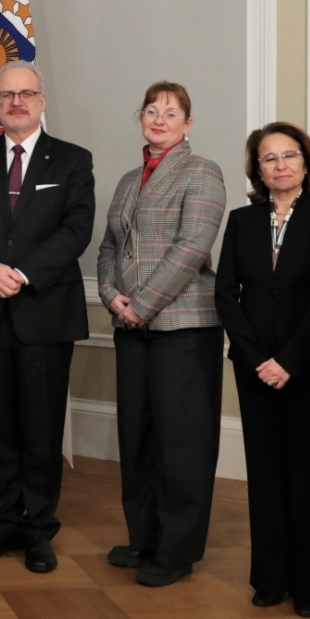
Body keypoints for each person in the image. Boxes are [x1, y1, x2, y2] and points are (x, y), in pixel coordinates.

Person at [0, 60, 95, 574]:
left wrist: (22, 273)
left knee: (41, 426)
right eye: (6, 94)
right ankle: (3, 520)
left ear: (42, 100)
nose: (16, 102)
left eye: (26, 93)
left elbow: (77, 229)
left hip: (45, 311)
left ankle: (39, 529)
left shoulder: (72, 161)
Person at [214, 123, 310, 618]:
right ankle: (269, 578)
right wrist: (256, 359)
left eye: (289, 155)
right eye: (268, 158)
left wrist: (288, 360)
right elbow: (226, 294)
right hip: (254, 368)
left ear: (306, 163)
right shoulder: (241, 221)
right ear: (257, 169)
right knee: (265, 472)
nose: (280, 165)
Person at [97, 80, 226, 588]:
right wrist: (111, 297)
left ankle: (177, 550)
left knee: (183, 443)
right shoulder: (130, 179)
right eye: (152, 110)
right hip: (131, 326)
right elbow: (108, 247)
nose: (159, 119)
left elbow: (192, 247)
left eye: (171, 113)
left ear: (187, 124)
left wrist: (143, 305)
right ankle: (145, 537)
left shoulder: (202, 172)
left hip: (182, 327)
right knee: (140, 438)